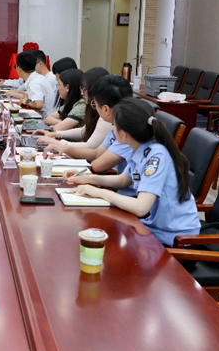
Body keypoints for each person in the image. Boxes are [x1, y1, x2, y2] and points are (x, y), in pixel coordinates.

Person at [67, 98, 200, 246]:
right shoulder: (140, 147)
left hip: (174, 238)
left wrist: (99, 192)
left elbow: (141, 207)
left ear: (124, 134)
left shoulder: (156, 156)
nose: (112, 129)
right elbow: (123, 180)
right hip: (150, 227)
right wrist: (87, 178)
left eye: (114, 125)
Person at [41, 74, 133, 179]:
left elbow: (97, 165)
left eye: (95, 104)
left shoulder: (126, 134)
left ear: (106, 109)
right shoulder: (116, 127)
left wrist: (63, 146)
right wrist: (65, 148)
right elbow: (95, 153)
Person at [37, 67, 109, 149]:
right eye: (81, 89)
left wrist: (56, 142)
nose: (82, 93)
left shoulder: (105, 115)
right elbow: (84, 131)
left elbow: (89, 147)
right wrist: (55, 134)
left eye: (85, 89)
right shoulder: (91, 108)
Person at [8, 50, 57, 119]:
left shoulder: (34, 82)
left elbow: (38, 104)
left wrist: (27, 101)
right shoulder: (36, 77)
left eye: (15, 66)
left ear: (19, 68)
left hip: (44, 119)